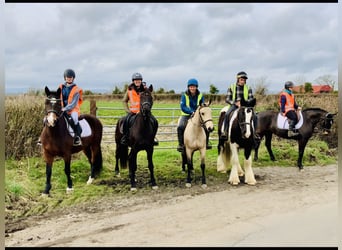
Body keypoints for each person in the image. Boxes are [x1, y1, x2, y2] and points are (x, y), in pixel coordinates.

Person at [120, 72, 158, 146]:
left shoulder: (145, 89)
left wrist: (149, 93)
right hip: (133, 112)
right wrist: (127, 110)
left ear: (141, 81)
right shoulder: (129, 90)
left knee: (154, 121)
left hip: (145, 112)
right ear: (133, 81)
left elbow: (152, 98)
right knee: (125, 121)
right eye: (136, 80)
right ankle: (125, 137)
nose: (137, 81)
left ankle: (153, 138)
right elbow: (124, 101)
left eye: (139, 80)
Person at [220, 71, 259, 141]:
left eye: (244, 80)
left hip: (246, 106)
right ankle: (225, 132)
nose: (243, 81)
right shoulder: (232, 87)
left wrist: (247, 103)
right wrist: (235, 103)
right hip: (235, 105)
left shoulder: (248, 88)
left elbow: (251, 98)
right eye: (241, 79)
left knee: (255, 116)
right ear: (238, 79)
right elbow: (227, 99)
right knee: (227, 114)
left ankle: (255, 133)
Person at [176, 78, 212, 152]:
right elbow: (183, 107)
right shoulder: (184, 95)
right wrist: (191, 112)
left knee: (206, 127)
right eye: (191, 86)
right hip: (186, 114)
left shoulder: (200, 95)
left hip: (198, 115)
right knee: (180, 127)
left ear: (196, 87)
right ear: (188, 87)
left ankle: (206, 143)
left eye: (194, 86)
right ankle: (181, 144)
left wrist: (205, 105)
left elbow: (202, 105)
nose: (192, 88)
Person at [59, 69, 83, 146]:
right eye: (67, 77)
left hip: (73, 109)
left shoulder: (76, 89)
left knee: (74, 118)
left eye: (70, 77)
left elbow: (73, 103)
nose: (69, 78)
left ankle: (77, 136)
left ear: (73, 78)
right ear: (65, 78)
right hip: (62, 108)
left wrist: (65, 108)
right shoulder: (61, 87)